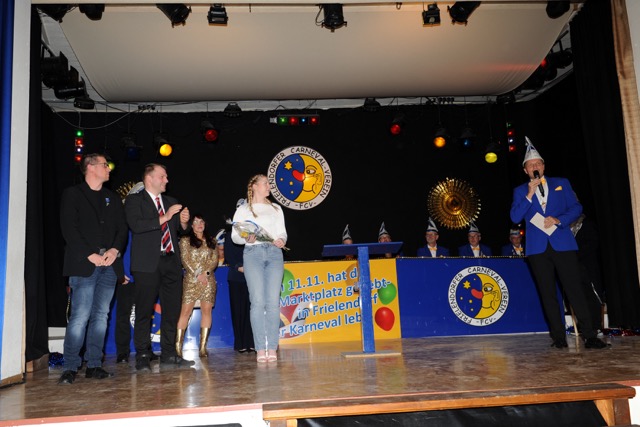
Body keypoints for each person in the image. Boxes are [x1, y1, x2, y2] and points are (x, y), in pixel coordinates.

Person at [510, 137, 607, 349]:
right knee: (547, 293)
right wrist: (529, 195)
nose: (535, 167)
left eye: (538, 163)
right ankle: (558, 337)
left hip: (562, 243)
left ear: (543, 166)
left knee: (574, 289)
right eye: (530, 165)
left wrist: (559, 220)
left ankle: (589, 335)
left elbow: (577, 208)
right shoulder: (520, 191)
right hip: (537, 248)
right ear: (525, 170)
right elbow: (515, 217)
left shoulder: (561, 183)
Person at [58, 153, 127, 385]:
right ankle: (70, 367)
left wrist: (114, 250)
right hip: (83, 263)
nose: (109, 168)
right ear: (90, 167)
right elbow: (69, 228)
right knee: (80, 316)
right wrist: (90, 255)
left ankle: (94, 364)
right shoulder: (73, 194)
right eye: (105, 165)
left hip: (109, 265)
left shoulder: (112, 198)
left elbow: (122, 229)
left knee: (101, 316)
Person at [124, 163, 195, 371]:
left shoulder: (171, 201)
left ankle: (169, 354)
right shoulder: (134, 200)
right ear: (149, 178)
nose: (166, 180)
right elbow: (137, 225)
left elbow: (181, 231)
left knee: (172, 310)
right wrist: (165, 217)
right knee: (144, 310)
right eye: (162, 176)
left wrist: (183, 222)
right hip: (147, 264)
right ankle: (143, 354)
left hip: (171, 262)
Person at [231, 174, 287, 363]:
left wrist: (281, 240)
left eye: (269, 183)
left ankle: (272, 347)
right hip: (252, 254)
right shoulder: (243, 209)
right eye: (265, 183)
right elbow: (235, 236)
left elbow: (282, 232)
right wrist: (246, 238)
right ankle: (260, 348)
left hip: (274, 254)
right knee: (257, 302)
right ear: (254, 186)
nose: (269, 186)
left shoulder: (276, 208)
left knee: (272, 302)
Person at [176, 214, 218, 358]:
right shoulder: (185, 240)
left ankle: (202, 348)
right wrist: (197, 275)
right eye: (196, 222)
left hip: (208, 280)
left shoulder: (212, 240)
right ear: (191, 225)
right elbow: (185, 259)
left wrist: (206, 273)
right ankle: (177, 348)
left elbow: (214, 260)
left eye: (202, 221)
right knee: (185, 312)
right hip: (191, 280)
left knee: (207, 311)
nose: (199, 224)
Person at [226, 199, 255, 353]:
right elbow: (229, 256)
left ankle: (253, 342)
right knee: (238, 310)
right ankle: (240, 343)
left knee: (253, 310)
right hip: (236, 278)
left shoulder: (255, 233)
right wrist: (239, 267)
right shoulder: (230, 234)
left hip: (253, 278)